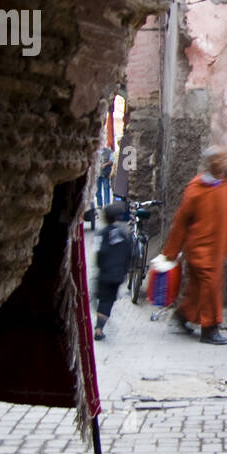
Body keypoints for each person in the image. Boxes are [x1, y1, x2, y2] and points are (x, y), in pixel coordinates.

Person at [153, 146, 227, 345]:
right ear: (211, 163)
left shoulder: (224, 186)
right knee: (210, 289)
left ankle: (182, 316)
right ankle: (209, 329)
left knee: (197, 290)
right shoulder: (196, 188)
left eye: (225, 160)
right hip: (199, 249)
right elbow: (181, 221)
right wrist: (171, 251)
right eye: (219, 160)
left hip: (216, 249)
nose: (224, 163)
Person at [94, 201, 132, 340]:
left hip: (104, 273)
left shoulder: (103, 233)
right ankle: (99, 328)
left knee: (103, 299)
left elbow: (100, 252)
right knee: (108, 300)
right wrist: (124, 271)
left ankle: (99, 327)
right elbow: (129, 253)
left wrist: (100, 266)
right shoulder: (124, 234)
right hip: (117, 275)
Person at [96, 145, 114, 209]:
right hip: (97, 173)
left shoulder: (109, 151)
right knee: (98, 190)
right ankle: (99, 204)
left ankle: (107, 204)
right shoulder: (96, 151)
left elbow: (112, 161)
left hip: (105, 173)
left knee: (106, 189)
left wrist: (106, 164)